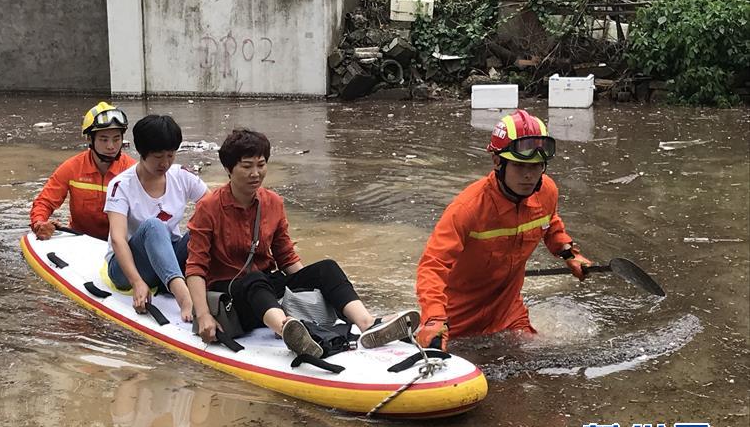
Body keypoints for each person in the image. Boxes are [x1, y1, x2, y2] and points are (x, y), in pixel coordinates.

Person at [186, 128, 419, 358]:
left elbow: (286, 257)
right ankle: (288, 330)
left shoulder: (273, 202)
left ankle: (368, 324)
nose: (255, 173)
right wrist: (204, 314)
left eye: (261, 164)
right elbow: (196, 267)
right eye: (247, 166)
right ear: (228, 169)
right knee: (254, 280)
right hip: (232, 296)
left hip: (267, 289)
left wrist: (308, 290)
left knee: (326, 268)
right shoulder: (209, 207)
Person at [415, 109, 592, 349]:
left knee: (529, 367)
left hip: (508, 310)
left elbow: (550, 224)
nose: (529, 176)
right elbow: (433, 265)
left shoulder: (547, 191)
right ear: (498, 161)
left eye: (537, 166)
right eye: (520, 166)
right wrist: (433, 319)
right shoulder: (467, 209)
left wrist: (569, 253)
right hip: (457, 318)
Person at [105, 114, 208, 322]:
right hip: (129, 267)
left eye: (170, 156)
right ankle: (184, 297)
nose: (165, 163)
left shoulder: (182, 176)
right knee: (154, 225)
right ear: (143, 153)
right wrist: (137, 282)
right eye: (158, 157)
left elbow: (215, 208)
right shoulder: (121, 185)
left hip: (169, 258)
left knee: (204, 228)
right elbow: (117, 238)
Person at [30, 101, 136, 241]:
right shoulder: (72, 168)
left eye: (116, 139)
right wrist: (40, 223)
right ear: (90, 139)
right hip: (81, 242)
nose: (111, 146)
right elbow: (45, 202)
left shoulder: (133, 171)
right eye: (104, 140)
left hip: (122, 242)